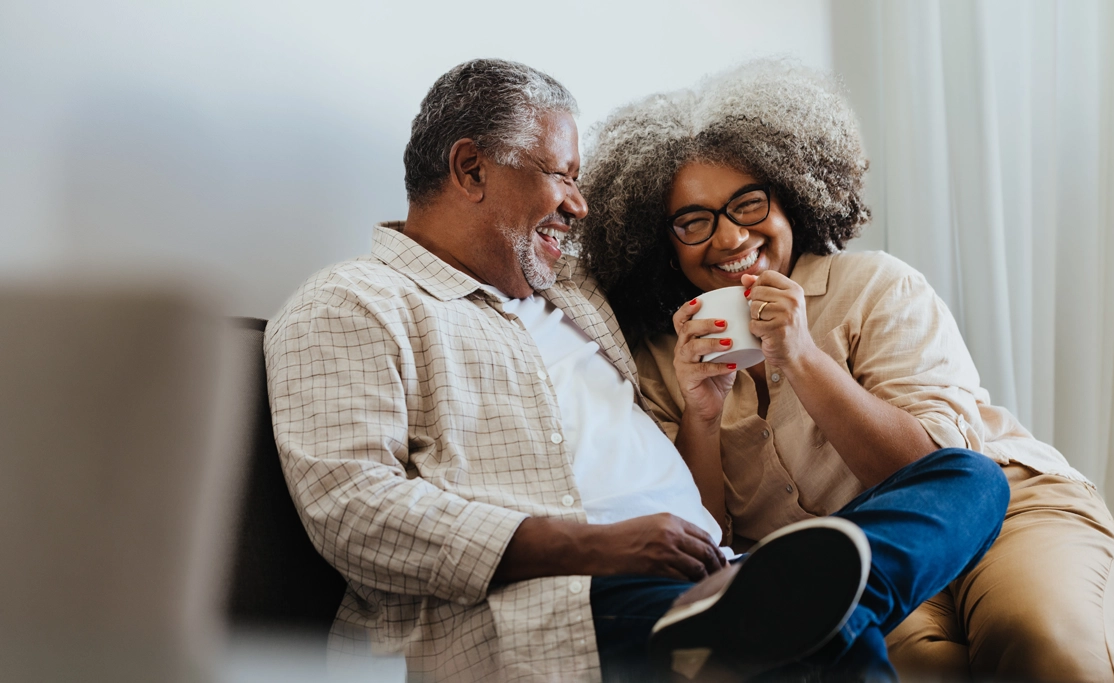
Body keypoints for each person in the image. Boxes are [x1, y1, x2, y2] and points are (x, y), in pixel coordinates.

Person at [264, 58, 1008, 683]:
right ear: (470, 168)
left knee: (972, 479)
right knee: (821, 641)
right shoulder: (354, 304)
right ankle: (799, 606)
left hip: (712, 570)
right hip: (561, 603)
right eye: (561, 174)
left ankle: (789, 598)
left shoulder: (578, 300)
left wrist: (706, 407)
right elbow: (353, 511)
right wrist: (596, 544)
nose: (581, 205)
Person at [574, 59, 1114, 683]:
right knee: (920, 671)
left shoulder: (875, 287)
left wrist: (801, 356)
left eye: (749, 203)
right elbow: (707, 545)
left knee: (1042, 648)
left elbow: (933, 476)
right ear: (663, 242)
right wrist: (702, 415)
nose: (731, 237)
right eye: (694, 220)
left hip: (1006, 513)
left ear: (791, 198)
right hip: (855, 566)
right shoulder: (659, 359)